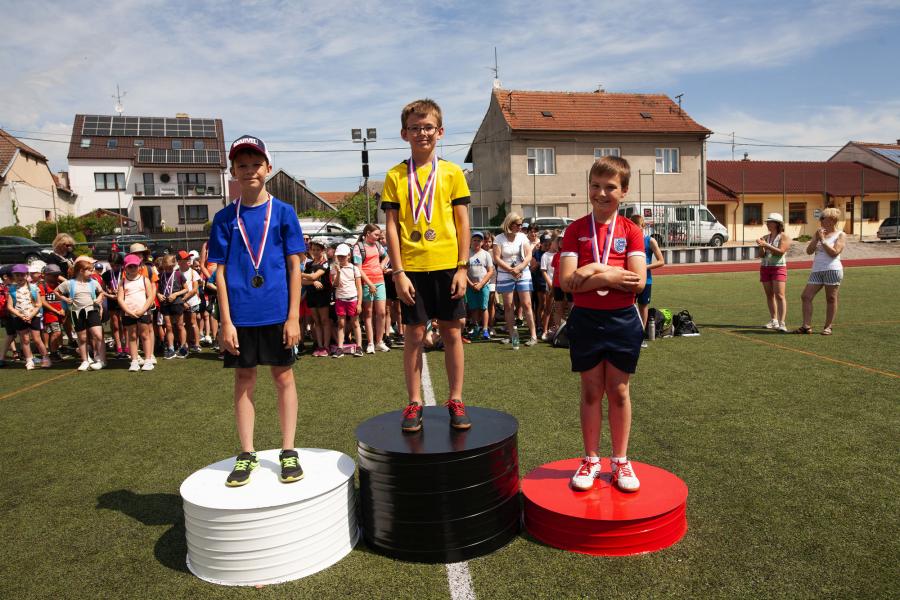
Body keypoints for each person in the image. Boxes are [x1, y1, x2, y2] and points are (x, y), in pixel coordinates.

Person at [207, 134, 306, 487]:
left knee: (284, 377)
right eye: (242, 165)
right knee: (244, 379)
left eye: (255, 164)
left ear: (268, 168)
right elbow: (219, 273)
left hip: (278, 313)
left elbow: (295, 267)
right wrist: (226, 322)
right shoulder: (224, 218)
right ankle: (247, 453)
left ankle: (288, 450)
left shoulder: (284, 212)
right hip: (241, 316)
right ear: (233, 171)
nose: (249, 170)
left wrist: (293, 317)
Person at [382, 98, 472, 432]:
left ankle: (456, 398)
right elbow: (392, 227)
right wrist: (398, 272)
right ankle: (414, 401)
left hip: (448, 265)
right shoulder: (395, 175)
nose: (422, 133)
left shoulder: (452, 173)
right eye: (415, 128)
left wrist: (462, 267)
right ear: (404, 133)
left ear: (440, 132)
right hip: (412, 269)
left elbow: (463, 223)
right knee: (414, 335)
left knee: (452, 332)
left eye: (428, 127)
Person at [559, 156, 646, 493]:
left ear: (624, 191)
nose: (601, 193)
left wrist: (593, 271)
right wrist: (608, 273)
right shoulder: (575, 230)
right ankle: (591, 459)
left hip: (623, 319)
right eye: (595, 185)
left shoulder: (632, 231)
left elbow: (637, 282)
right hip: (586, 319)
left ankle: (620, 460)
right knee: (591, 390)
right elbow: (567, 282)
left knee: (619, 391)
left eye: (610, 187)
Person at [795, 207, 844, 335]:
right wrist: (817, 238)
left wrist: (822, 240)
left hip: (832, 269)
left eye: (823, 218)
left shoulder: (840, 235)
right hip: (817, 270)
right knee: (806, 296)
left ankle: (828, 327)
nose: (820, 220)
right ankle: (806, 326)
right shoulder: (818, 233)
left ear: (832, 220)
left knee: (831, 298)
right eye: (820, 218)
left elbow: (834, 253)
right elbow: (809, 251)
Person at [493, 212, 538, 348]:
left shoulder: (522, 237)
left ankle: (533, 335)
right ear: (510, 224)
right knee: (508, 305)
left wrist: (519, 268)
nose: (520, 227)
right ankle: (512, 335)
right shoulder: (499, 238)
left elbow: (529, 255)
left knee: (527, 304)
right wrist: (511, 270)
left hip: (522, 272)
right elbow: (497, 258)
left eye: (521, 224)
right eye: (518, 224)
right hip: (505, 273)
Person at [54, 256, 107, 371]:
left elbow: (102, 292)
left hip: (92, 311)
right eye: (89, 270)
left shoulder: (93, 282)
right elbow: (56, 291)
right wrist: (65, 299)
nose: (92, 273)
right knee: (82, 338)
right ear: (81, 271)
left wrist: (99, 298)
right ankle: (85, 361)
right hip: (77, 313)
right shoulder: (69, 283)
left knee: (98, 335)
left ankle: (102, 360)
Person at [353, 224, 390, 353]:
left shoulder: (378, 245)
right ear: (368, 233)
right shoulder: (358, 247)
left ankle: (379, 341)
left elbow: (387, 255)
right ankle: (370, 343)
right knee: (368, 313)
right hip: (366, 284)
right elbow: (358, 268)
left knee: (382, 313)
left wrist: (382, 265)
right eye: (376, 235)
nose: (378, 237)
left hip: (380, 282)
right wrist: (369, 284)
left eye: (379, 235)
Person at [7, 264, 51, 369]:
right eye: (17, 275)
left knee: (37, 339)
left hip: (34, 316)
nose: (20, 277)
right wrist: (20, 315)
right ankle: (29, 360)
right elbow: (10, 306)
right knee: (25, 339)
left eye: (22, 275)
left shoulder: (34, 288)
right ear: (14, 276)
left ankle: (45, 358)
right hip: (19, 317)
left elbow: (39, 304)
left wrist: (31, 315)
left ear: (27, 275)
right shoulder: (11, 289)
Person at [630, 215, 665, 345]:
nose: (634, 229)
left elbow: (661, 261)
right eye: (632, 226)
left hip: (646, 280)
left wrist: (644, 267)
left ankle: (641, 335)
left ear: (643, 226)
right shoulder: (628, 240)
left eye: (637, 226)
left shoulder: (650, 241)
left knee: (643, 306)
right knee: (629, 306)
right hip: (630, 279)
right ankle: (629, 334)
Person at [118, 253, 156, 371]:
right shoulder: (122, 282)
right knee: (132, 336)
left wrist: (143, 310)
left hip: (143, 312)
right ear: (125, 268)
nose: (132, 268)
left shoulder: (145, 280)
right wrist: (128, 311)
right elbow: (120, 299)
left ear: (139, 266)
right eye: (130, 266)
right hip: (128, 313)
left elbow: (150, 296)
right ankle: (134, 361)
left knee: (145, 335)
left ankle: (148, 360)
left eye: (135, 266)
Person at [756, 213, 791, 332]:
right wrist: (761, 246)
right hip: (765, 267)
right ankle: (774, 320)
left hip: (778, 267)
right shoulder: (765, 237)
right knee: (769, 295)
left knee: (780, 295)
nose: (767, 224)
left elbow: (781, 252)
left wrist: (766, 245)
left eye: (770, 222)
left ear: (777, 223)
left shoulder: (784, 236)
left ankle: (782, 323)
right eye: (767, 222)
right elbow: (761, 255)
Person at [301, 240, 333, 357]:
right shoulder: (309, 264)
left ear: (322, 250)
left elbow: (314, 275)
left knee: (324, 320)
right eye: (313, 249)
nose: (315, 252)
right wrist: (312, 282)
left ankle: (326, 346)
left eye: (318, 250)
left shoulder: (325, 263)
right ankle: (319, 346)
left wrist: (298, 273)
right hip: (311, 295)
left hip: (323, 295)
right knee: (316, 321)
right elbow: (302, 281)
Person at [331, 243, 363, 357]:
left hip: (352, 299)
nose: (340, 258)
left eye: (343, 256)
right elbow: (335, 285)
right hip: (340, 299)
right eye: (339, 256)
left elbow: (359, 287)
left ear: (349, 256)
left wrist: (359, 303)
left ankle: (359, 347)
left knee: (355, 323)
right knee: (341, 324)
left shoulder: (354, 268)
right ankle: (340, 348)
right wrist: (338, 272)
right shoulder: (334, 268)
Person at [157, 254, 189, 359]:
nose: (168, 269)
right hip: (165, 303)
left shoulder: (178, 274)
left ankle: (183, 348)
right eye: (166, 267)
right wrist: (158, 294)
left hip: (177, 303)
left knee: (180, 325)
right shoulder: (161, 276)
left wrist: (175, 294)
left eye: (170, 267)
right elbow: (157, 290)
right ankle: (171, 349)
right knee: (168, 326)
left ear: (174, 265)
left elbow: (186, 289)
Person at [465, 231, 494, 341]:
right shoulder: (466, 254)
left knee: (483, 307)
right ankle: (476, 328)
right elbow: (463, 271)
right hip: (470, 286)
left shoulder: (486, 254)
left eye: (479, 240)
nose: (476, 242)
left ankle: (485, 329)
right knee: (473, 308)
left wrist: (481, 284)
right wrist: (471, 284)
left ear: (482, 242)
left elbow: (490, 271)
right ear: (470, 241)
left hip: (484, 285)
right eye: (474, 240)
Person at [39, 264, 66, 361]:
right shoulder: (42, 286)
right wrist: (56, 311)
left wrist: (62, 309)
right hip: (50, 314)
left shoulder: (59, 285)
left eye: (57, 275)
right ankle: (53, 353)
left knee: (55, 333)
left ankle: (54, 351)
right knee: (56, 333)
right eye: (53, 275)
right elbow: (43, 302)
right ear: (46, 275)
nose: (56, 277)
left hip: (59, 314)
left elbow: (62, 298)